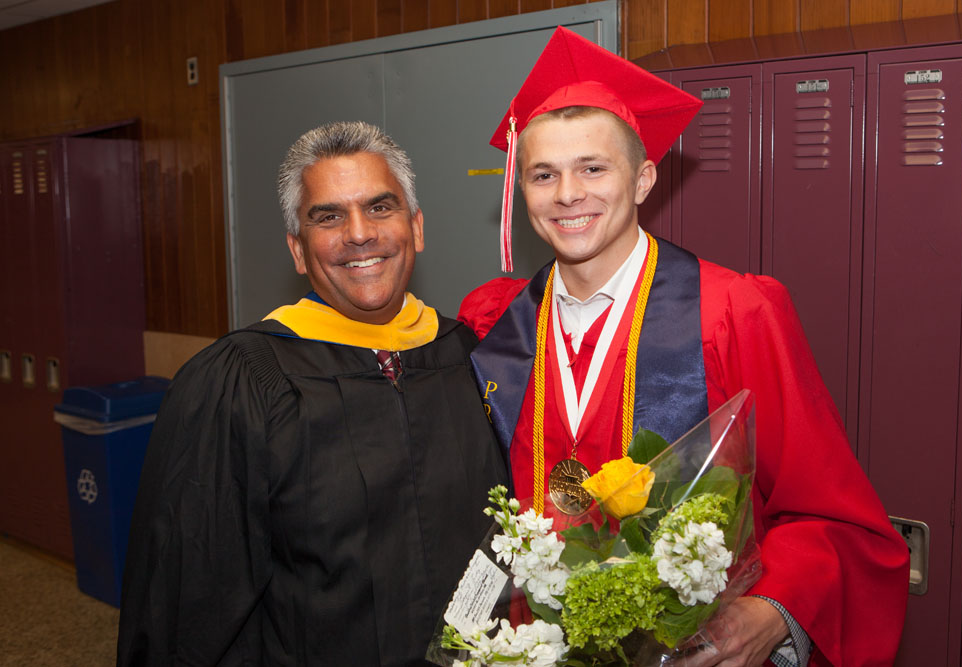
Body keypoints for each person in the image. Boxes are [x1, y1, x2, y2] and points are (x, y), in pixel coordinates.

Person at [458, 27, 909, 667]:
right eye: (542, 174)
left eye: (593, 167)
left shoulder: (732, 313)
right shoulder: (495, 326)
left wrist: (772, 609)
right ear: (520, 189)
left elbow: (830, 515)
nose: (567, 194)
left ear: (643, 179)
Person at [117, 121, 508, 666]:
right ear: (298, 250)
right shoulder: (241, 382)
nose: (358, 233)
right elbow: (189, 601)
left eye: (380, 208)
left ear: (416, 228)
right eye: (327, 216)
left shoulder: (469, 356)